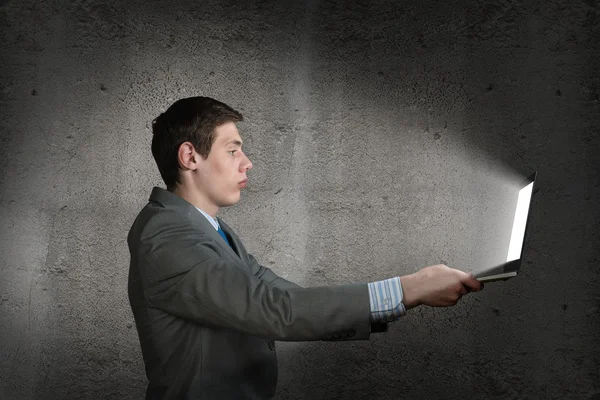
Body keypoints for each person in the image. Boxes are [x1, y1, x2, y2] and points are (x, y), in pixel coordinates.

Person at [127, 96, 483, 400]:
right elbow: (275, 310)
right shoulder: (167, 235)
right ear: (190, 157)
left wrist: (405, 295)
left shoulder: (209, 229)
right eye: (233, 149)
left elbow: (291, 302)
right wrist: (409, 289)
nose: (247, 161)